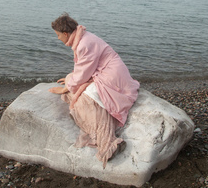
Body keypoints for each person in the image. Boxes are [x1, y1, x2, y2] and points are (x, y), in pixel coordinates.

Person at [49, 13, 140, 168]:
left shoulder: (84, 43)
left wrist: (66, 88)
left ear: (65, 34)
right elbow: (83, 69)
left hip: (112, 77)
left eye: (58, 35)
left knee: (87, 96)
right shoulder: (82, 38)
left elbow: (83, 73)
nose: (58, 38)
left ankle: (107, 140)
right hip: (107, 72)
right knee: (72, 77)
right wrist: (71, 79)